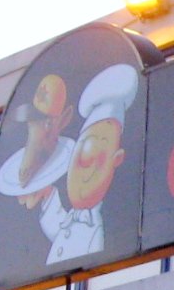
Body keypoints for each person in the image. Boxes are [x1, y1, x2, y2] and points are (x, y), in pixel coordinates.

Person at [36, 64, 138, 263]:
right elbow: (56, 226)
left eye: (100, 147)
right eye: (83, 146)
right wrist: (48, 196)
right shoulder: (72, 219)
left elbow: (93, 269)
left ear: (116, 159)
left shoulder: (96, 230)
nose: (87, 158)